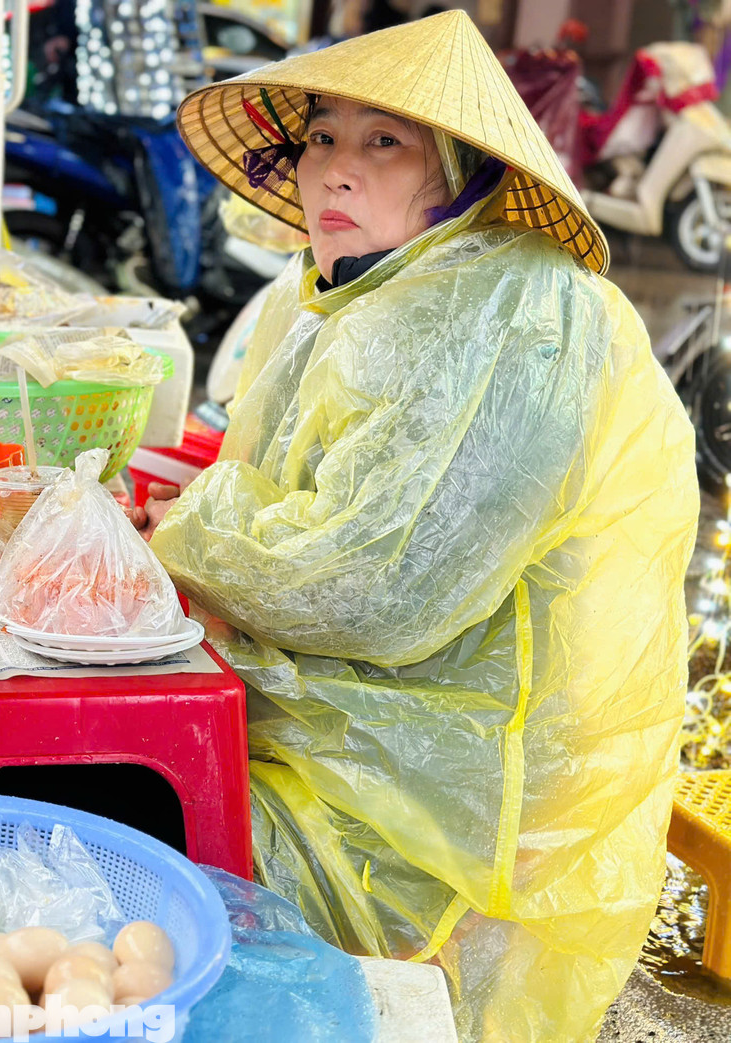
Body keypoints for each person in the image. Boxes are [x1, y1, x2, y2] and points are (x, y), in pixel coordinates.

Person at [149, 11, 699, 1042]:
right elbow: (263, 484)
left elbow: (372, 586)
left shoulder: (514, 310)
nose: (333, 173)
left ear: (458, 174)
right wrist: (195, 515)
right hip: (349, 723)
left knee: (133, 843)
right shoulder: (347, 294)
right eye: (319, 137)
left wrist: (191, 521)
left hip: (450, 802)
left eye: (381, 141)